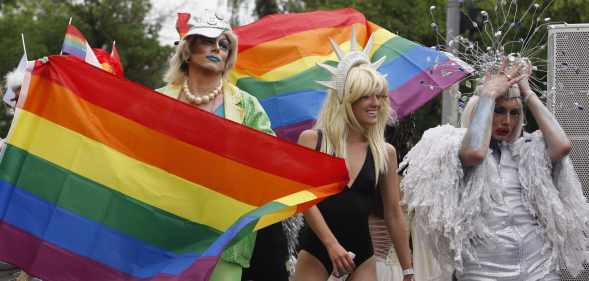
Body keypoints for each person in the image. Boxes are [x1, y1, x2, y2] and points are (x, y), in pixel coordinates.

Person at [401, 58, 589, 280]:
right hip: (483, 271)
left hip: (538, 269)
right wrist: (489, 94)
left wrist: (527, 93)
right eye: (499, 111)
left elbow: (562, 146)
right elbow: (475, 154)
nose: (506, 121)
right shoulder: (453, 145)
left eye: (514, 113)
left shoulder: (527, 151)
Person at [156, 9, 288, 281]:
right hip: (166, 230)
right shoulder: (158, 102)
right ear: (188, 50)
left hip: (225, 236)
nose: (217, 47)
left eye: (224, 44)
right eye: (208, 39)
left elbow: (270, 159)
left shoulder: (247, 107)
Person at [293, 29, 414, 281]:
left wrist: (408, 269)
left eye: (380, 96)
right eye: (366, 97)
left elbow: (393, 212)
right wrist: (331, 245)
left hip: (362, 253)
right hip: (317, 249)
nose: (376, 103)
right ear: (347, 101)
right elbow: (304, 199)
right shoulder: (312, 140)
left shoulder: (385, 152)